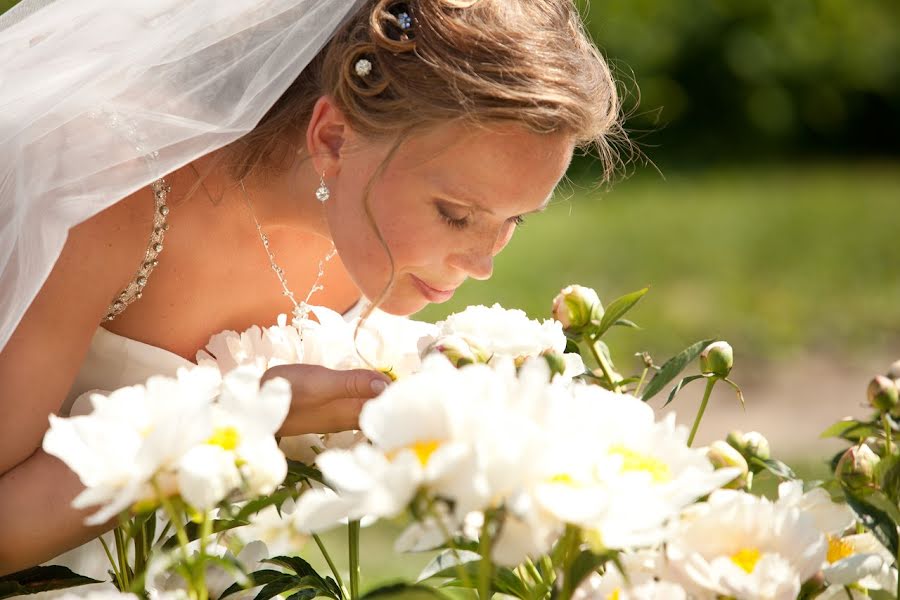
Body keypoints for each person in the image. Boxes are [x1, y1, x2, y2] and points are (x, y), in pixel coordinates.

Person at [0, 0, 622, 576]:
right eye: (456, 214)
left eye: (514, 219)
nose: (484, 263)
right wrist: (234, 424)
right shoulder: (106, 193)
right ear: (333, 137)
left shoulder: (371, 232)